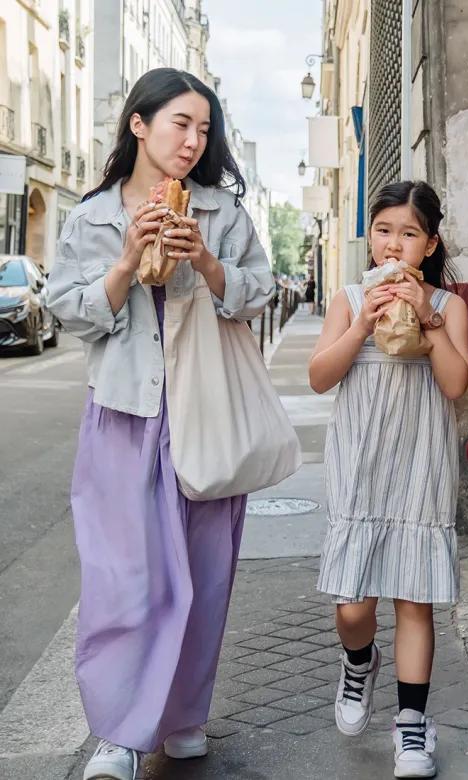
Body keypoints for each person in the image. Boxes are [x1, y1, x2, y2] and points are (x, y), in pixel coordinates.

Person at [47, 68, 274, 780]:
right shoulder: (90, 216)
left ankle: (181, 715)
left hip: (202, 413)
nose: (194, 140)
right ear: (139, 125)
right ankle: (119, 732)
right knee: (124, 579)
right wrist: (124, 263)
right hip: (123, 415)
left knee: (203, 579)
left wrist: (205, 262)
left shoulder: (221, 212)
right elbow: (67, 311)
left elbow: (260, 291)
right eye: (181, 123)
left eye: (204, 129)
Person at [309, 181, 468, 778]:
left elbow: (456, 385)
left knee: (413, 599)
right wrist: (360, 326)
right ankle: (359, 662)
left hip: (420, 463)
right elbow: (320, 377)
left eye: (409, 234)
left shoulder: (447, 306)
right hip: (360, 462)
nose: (395, 244)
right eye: (384, 231)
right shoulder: (350, 297)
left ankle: (411, 727)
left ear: (429, 244)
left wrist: (427, 322)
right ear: (370, 237)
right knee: (353, 604)